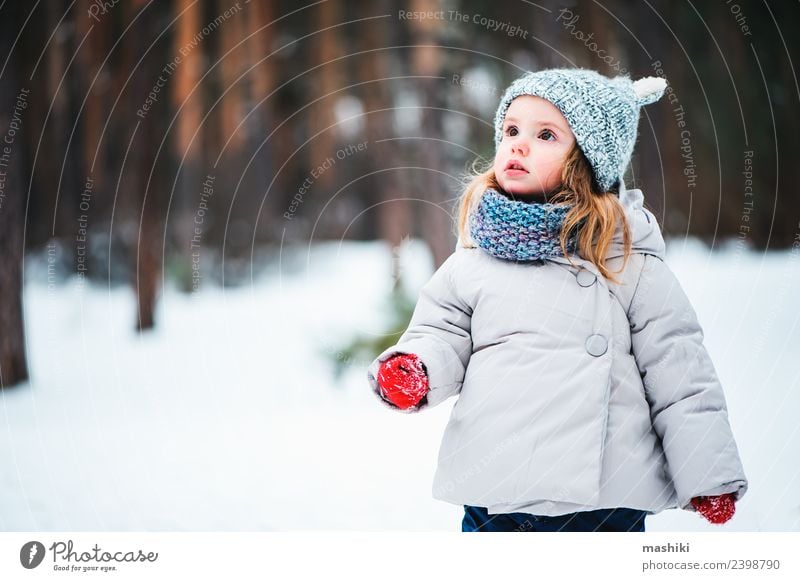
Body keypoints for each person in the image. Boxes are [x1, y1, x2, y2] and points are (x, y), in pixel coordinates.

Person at [366, 68, 748, 532]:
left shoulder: (627, 263)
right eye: (511, 131)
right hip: (496, 495)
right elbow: (440, 331)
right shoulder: (475, 259)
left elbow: (681, 372)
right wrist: (417, 368)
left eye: (545, 134)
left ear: (587, 162)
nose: (518, 145)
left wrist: (707, 474)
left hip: (603, 504)